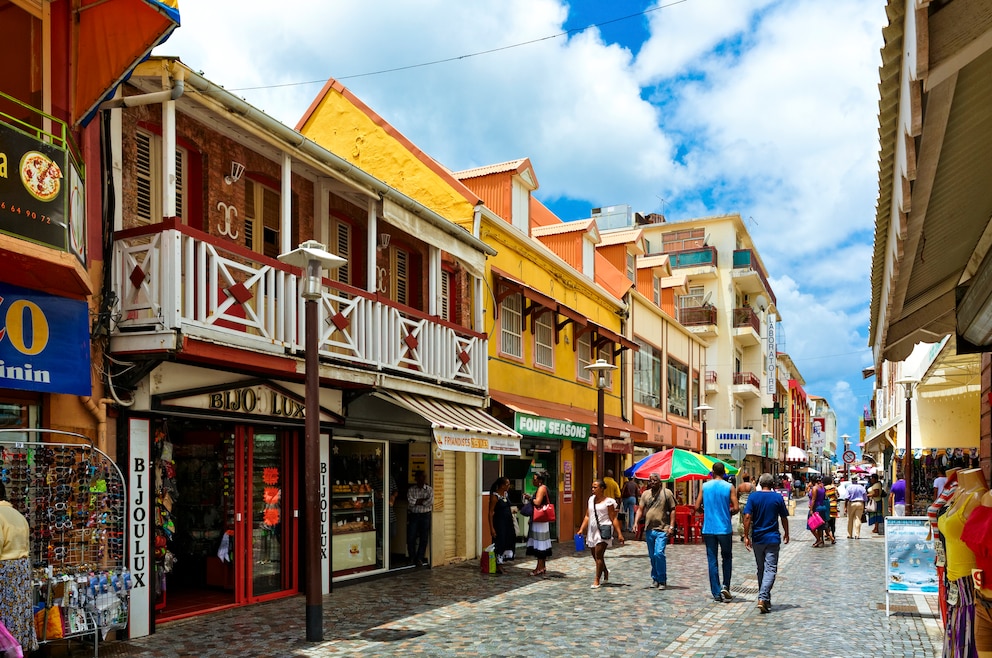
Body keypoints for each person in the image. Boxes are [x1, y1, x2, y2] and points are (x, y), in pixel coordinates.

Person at [937, 468, 988, 657]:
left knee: (967, 641)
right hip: (953, 581)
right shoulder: (959, 492)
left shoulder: (978, 496)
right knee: (955, 636)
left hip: (969, 583)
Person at [742, 473, 790, 613]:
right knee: (771, 569)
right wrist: (786, 533)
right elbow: (784, 517)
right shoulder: (777, 497)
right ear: (773, 484)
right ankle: (763, 598)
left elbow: (747, 516)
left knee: (761, 569)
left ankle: (765, 599)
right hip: (772, 538)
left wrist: (746, 536)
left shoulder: (753, 497)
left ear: (760, 483)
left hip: (758, 537)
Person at [0, 482, 38, 654]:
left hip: (5, 572)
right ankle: (16, 649)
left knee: (4, 619)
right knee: (17, 617)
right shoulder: (18, 515)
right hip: (21, 572)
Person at [694, 462, 738, 603]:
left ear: (712, 472)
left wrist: (704, 511)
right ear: (724, 473)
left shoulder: (705, 486)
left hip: (709, 528)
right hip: (724, 528)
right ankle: (726, 585)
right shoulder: (729, 487)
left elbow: (696, 506)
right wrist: (729, 512)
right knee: (727, 557)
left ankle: (716, 592)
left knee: (712, 560)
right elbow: (736, 507)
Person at [576, 479, 624, 588]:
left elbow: (613, 518)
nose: (593, 489)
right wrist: (581, 529)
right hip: (592, 530)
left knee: (598, 554)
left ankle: (597, 579)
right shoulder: (591, 500)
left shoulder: (609, 502)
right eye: (592, 487)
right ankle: (605, 571)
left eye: (595, 487)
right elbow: (587, 516)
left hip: (604, 530)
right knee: (596, 555)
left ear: (602, 489)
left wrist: (619, 534)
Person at [632, 473, 677, 590]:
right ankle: (655, 578)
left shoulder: (667, 493)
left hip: (663, 528)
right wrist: (636, 522)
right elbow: (640, 509)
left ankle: (662, 579)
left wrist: (671, 526)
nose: (652, 482)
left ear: (660, 482)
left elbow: (673, 510)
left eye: (655, 480)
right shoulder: (645, 494)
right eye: (650, 480)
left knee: (659, 553)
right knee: (652, 556)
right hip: (649, 529)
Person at [525, 470, 553, 576]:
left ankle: (539, 567)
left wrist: (530, 498)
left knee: (539, 543)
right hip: (542, 520)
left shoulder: (541, 488)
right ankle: (542, 567)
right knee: (542, 543)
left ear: (540, 480)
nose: (533, 481)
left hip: (539, 520)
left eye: (535, 479)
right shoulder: (543, 488)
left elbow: (537, 502)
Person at [407, 470, 433, 567]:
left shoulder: (429, 490)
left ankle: (419, 558)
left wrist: (418, 501)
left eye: (424, 477)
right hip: (414, 515)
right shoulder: (411, 490)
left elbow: (430, 502)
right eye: (420, 478)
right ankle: (412, 557)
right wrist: (423, 501)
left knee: (424, 538)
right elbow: (411, 502)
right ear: (416, 479)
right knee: (411, 537)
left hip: (425, 515)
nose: (422, 480)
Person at [487, 477, 514, 573]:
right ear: (502, 486)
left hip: (508, 523)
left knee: (507, 541)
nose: (509, 486)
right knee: (500, 542)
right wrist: (492, 528)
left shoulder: (506, 495)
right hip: (499, 523)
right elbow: (490, 512)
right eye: (507, 484)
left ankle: (502, 562)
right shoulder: (495, 496)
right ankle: (498, 564)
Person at [807, 475, 828, 547]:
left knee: (811, 525)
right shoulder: (822, 487)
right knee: (820, 527)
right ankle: (819, 540)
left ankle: (818, 539)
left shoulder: (815, 488)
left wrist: (811, 509)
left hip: (816, 508)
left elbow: (813, 499)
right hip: (822, 507)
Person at [737, 473, 753, 542]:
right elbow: (754, 495)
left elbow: (736, 494)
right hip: (749, 504)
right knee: (749, 519)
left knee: (742, 519)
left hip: (741, 504)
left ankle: (743, 534)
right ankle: (749, 533)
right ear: (749, 478)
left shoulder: (740, 486)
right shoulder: (752, 486)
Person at [823, 477, 839, 544]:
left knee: (826, 521)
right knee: (833, 522)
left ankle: (827, 534)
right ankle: (833, 534)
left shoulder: (824, 488)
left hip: (826, 506)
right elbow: (837, 495)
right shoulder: (834, 488)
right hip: (833, 506)